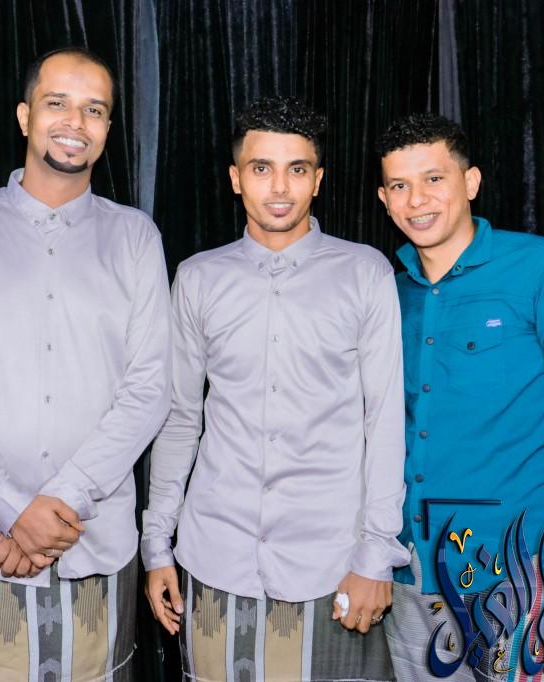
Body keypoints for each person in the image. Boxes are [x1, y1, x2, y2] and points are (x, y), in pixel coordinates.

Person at [0, 47, 170, 680]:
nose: (75, 122)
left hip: (93, 544)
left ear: (108, 129)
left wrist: (58, 509)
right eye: (57, 103)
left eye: (94, 110)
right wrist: (9, 508)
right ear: (25, 116)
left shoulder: (136, 238)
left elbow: (149, 389)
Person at [141, 96, 408, 681]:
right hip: (215, 556)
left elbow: (385, 420)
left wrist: (376, 553)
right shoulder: (198, 277)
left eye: (297, 169)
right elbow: (181, 418)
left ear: (319, 180)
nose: (280, 187)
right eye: (261, 168)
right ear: (236, 179)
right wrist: (157, 544)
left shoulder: (364, 272)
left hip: (331, 563)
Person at [376, 113, 544, 680]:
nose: (417, 199)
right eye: (400, 185)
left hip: (529, 575)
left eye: (434, 179)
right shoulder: (386, 293)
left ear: (471, 182)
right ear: (384, 200)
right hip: (412, 580)